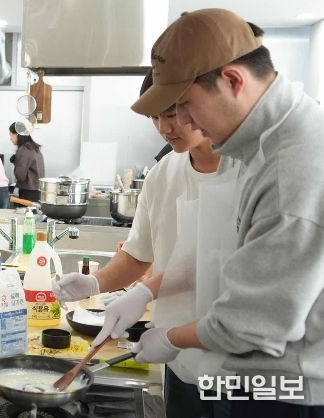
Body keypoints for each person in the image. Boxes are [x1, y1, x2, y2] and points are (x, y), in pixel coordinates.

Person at [119, 9, 323, 416]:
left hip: (287, 391)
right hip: (249, 376)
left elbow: (254, 323)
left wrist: (171, 338)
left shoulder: (290, 165)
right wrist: (144, 291)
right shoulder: (262, 143)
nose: (181, 122)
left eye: (184, 105)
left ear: (232, 80)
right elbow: (225, 254)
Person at [53, 68, 230, 417]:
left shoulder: (248, 172)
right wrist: (95, 283)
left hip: (243, 362)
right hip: (177, 357)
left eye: (172, 112)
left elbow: (225, 263)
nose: (165, 127)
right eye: (154, 117)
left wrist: (146, 292)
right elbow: (138, 254)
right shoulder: (163, 175)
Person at [8, 123, 44, 203]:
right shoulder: (35, 148)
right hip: (37, 191)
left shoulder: (24, 150)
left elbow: (20, 176)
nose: (10, 138)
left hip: (28, 193)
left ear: (16, 134)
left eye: (10, 135)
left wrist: (16, 162)